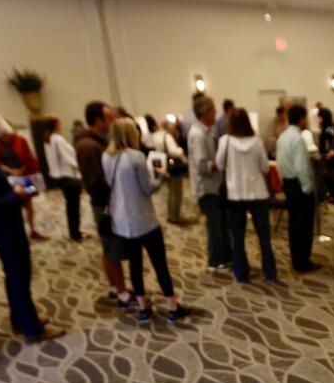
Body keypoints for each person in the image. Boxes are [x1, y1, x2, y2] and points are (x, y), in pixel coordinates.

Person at [0, 112, 65, 343]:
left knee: (15, 275)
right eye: (1, 141)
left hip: (2, 226)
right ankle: (32, 328)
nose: (2, 147)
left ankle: (22, 318)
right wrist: (17, 195)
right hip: (3, 227)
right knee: (18, 275)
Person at [101, 118, 193, 325]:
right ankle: (172, 306)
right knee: (159, 263)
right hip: (144, 220)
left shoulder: (107, 157)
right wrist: (161, 176)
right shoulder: (136, 157)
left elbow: (111, 184)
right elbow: (148, 188)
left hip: (122, 222)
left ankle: (143, 308)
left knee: (135, 265)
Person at [76, 100, 132, 307]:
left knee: (109, 248)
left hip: (107, 202)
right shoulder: (88, 146)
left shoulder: (96, 141)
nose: (112, 121)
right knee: (112, 249)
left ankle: (115, 288)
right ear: (97, 120)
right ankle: (122, 293)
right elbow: (94, 182)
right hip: (105, 204)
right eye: (108, 118)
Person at [216, 108, 277, 283]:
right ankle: (270, 272)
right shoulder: (257, 142)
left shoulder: (225, 141)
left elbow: (220, 164)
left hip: (235, 194)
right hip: (257, 192)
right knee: (264, 236)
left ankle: (241, 273)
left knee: (238, 236)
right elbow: (265, 167)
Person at [189, 95, 233, 272]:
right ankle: (215, 261)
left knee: (222, 223)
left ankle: (225, 256)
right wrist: (220, 162)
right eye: (213, 110)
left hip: (215, 185)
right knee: (214, 225)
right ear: (204, 113)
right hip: (206, 187)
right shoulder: (198, 134)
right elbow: (202, 165)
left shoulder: (208, 130)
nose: (216, 113)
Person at [276, 104, 320, 273]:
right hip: (300, 185)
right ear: (301, 119)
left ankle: (296, 259)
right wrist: (308, 188)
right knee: (304, 225)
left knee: (294, 222)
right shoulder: (298, 138)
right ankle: (303, 261)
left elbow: (280, 162)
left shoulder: (283, 136)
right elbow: (302, 167)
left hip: (288, 183)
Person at [0, 125, 45, 241]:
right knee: (13, 205)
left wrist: (23, 170)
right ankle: (18, 234)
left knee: (28, 203)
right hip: (7, 178)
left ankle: (32, 230)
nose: (6, 134)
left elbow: (28, 158)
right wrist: (10, 170)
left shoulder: (20, 140)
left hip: (24, 175)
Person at [43, 115, 84, 242]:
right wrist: (79, 166)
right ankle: (75, 233)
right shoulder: (58, 139)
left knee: (70, 206)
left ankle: (74, 231)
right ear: (55, 125)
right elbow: (67, 157)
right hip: (69, 175)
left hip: (60, 177)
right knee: (74, 206)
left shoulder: (48, 139)